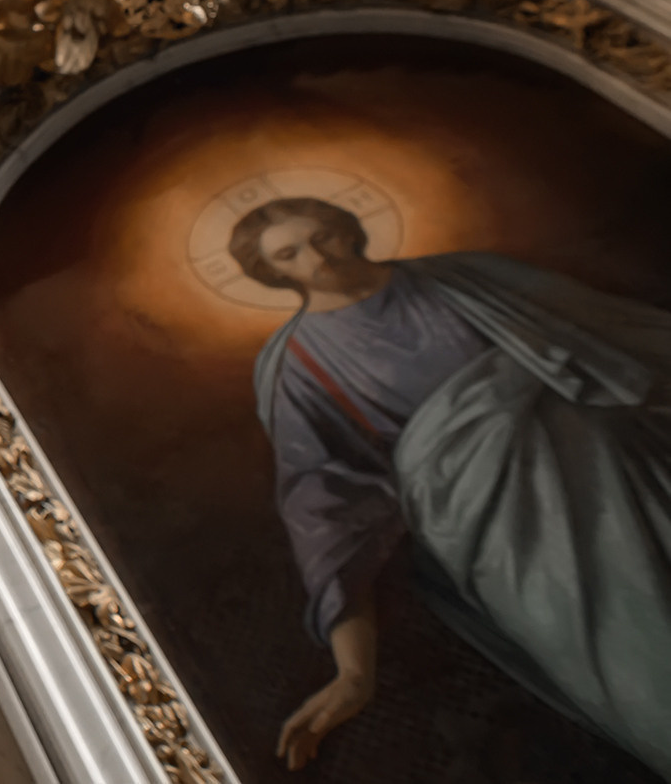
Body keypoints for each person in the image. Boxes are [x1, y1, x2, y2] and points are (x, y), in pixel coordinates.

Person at [231, 196, 671, 775]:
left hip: (614, 470)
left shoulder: (466, 278)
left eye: (322, 237)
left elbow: (610, 332)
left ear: (347, 230)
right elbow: (327, 517)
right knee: (642, 664)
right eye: (289, 254)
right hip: (501, 534)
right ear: (272, 273)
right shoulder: (297, 368)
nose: (317, 258)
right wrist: (354, 672)